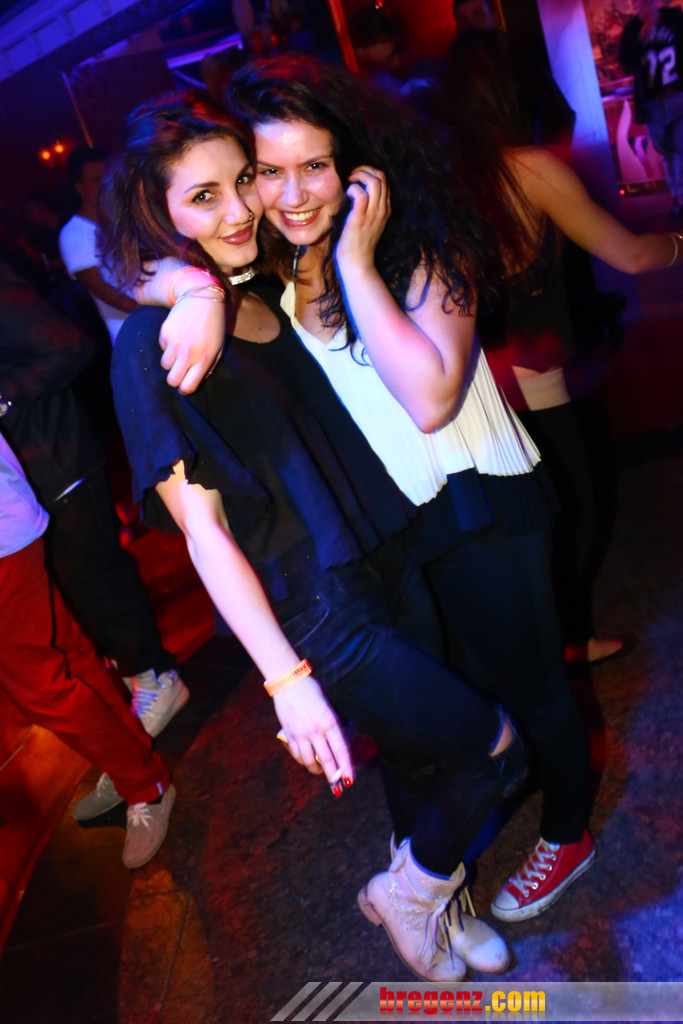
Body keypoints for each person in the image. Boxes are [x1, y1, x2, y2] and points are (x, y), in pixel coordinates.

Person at [139, 55, 598, 926]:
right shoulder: (265, 272)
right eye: (266, 171)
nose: (291, 194)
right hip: (391, 530)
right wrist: (186, 284)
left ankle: (568, 833)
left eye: (314, 165)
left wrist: (354, 260)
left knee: (533, 688)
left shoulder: (425, 242)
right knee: (461, 710)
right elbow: (128, 262)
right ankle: (455, 858)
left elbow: (429, 399)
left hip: (477, 501)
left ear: (355, 162)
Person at [437, 27, 683, 665]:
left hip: (475, 382)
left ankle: (562, 642)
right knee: (577, 509)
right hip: (532, 372)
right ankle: (562, 648)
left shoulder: (446, 178)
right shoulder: (528, 169)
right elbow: (630, 255)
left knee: (533, 519)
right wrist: (680, 243)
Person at [0, 262, 189, 747]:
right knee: (84, 589)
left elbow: (71, 345)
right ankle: (140, 681)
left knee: (98, 578)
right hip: (38, 470)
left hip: (60, 459)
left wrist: (7, 395)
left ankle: (157, 679)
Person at [0, 431, 175, 870]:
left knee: (44, 691)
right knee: (71, 658)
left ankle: (145, 784)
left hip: (5, 538)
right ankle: (135, 766)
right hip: (11, 521)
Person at [59, 147, 137, 342]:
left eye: (108, 177)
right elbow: (102, 289)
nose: (106, 184)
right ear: (79, 187)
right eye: (96, 179)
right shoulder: (74, 233)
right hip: (133, 333)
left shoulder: (123, 219)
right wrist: (153, 311)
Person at [620, 0, 683, 220]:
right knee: (667, 152)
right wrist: (642, 36)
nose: (644, 5)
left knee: (680, 144)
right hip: (653, 104)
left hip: (678, 96)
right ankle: (677, 197)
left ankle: (680, 198)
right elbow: (626, 64)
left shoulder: (674, 18)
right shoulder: (631, 31)